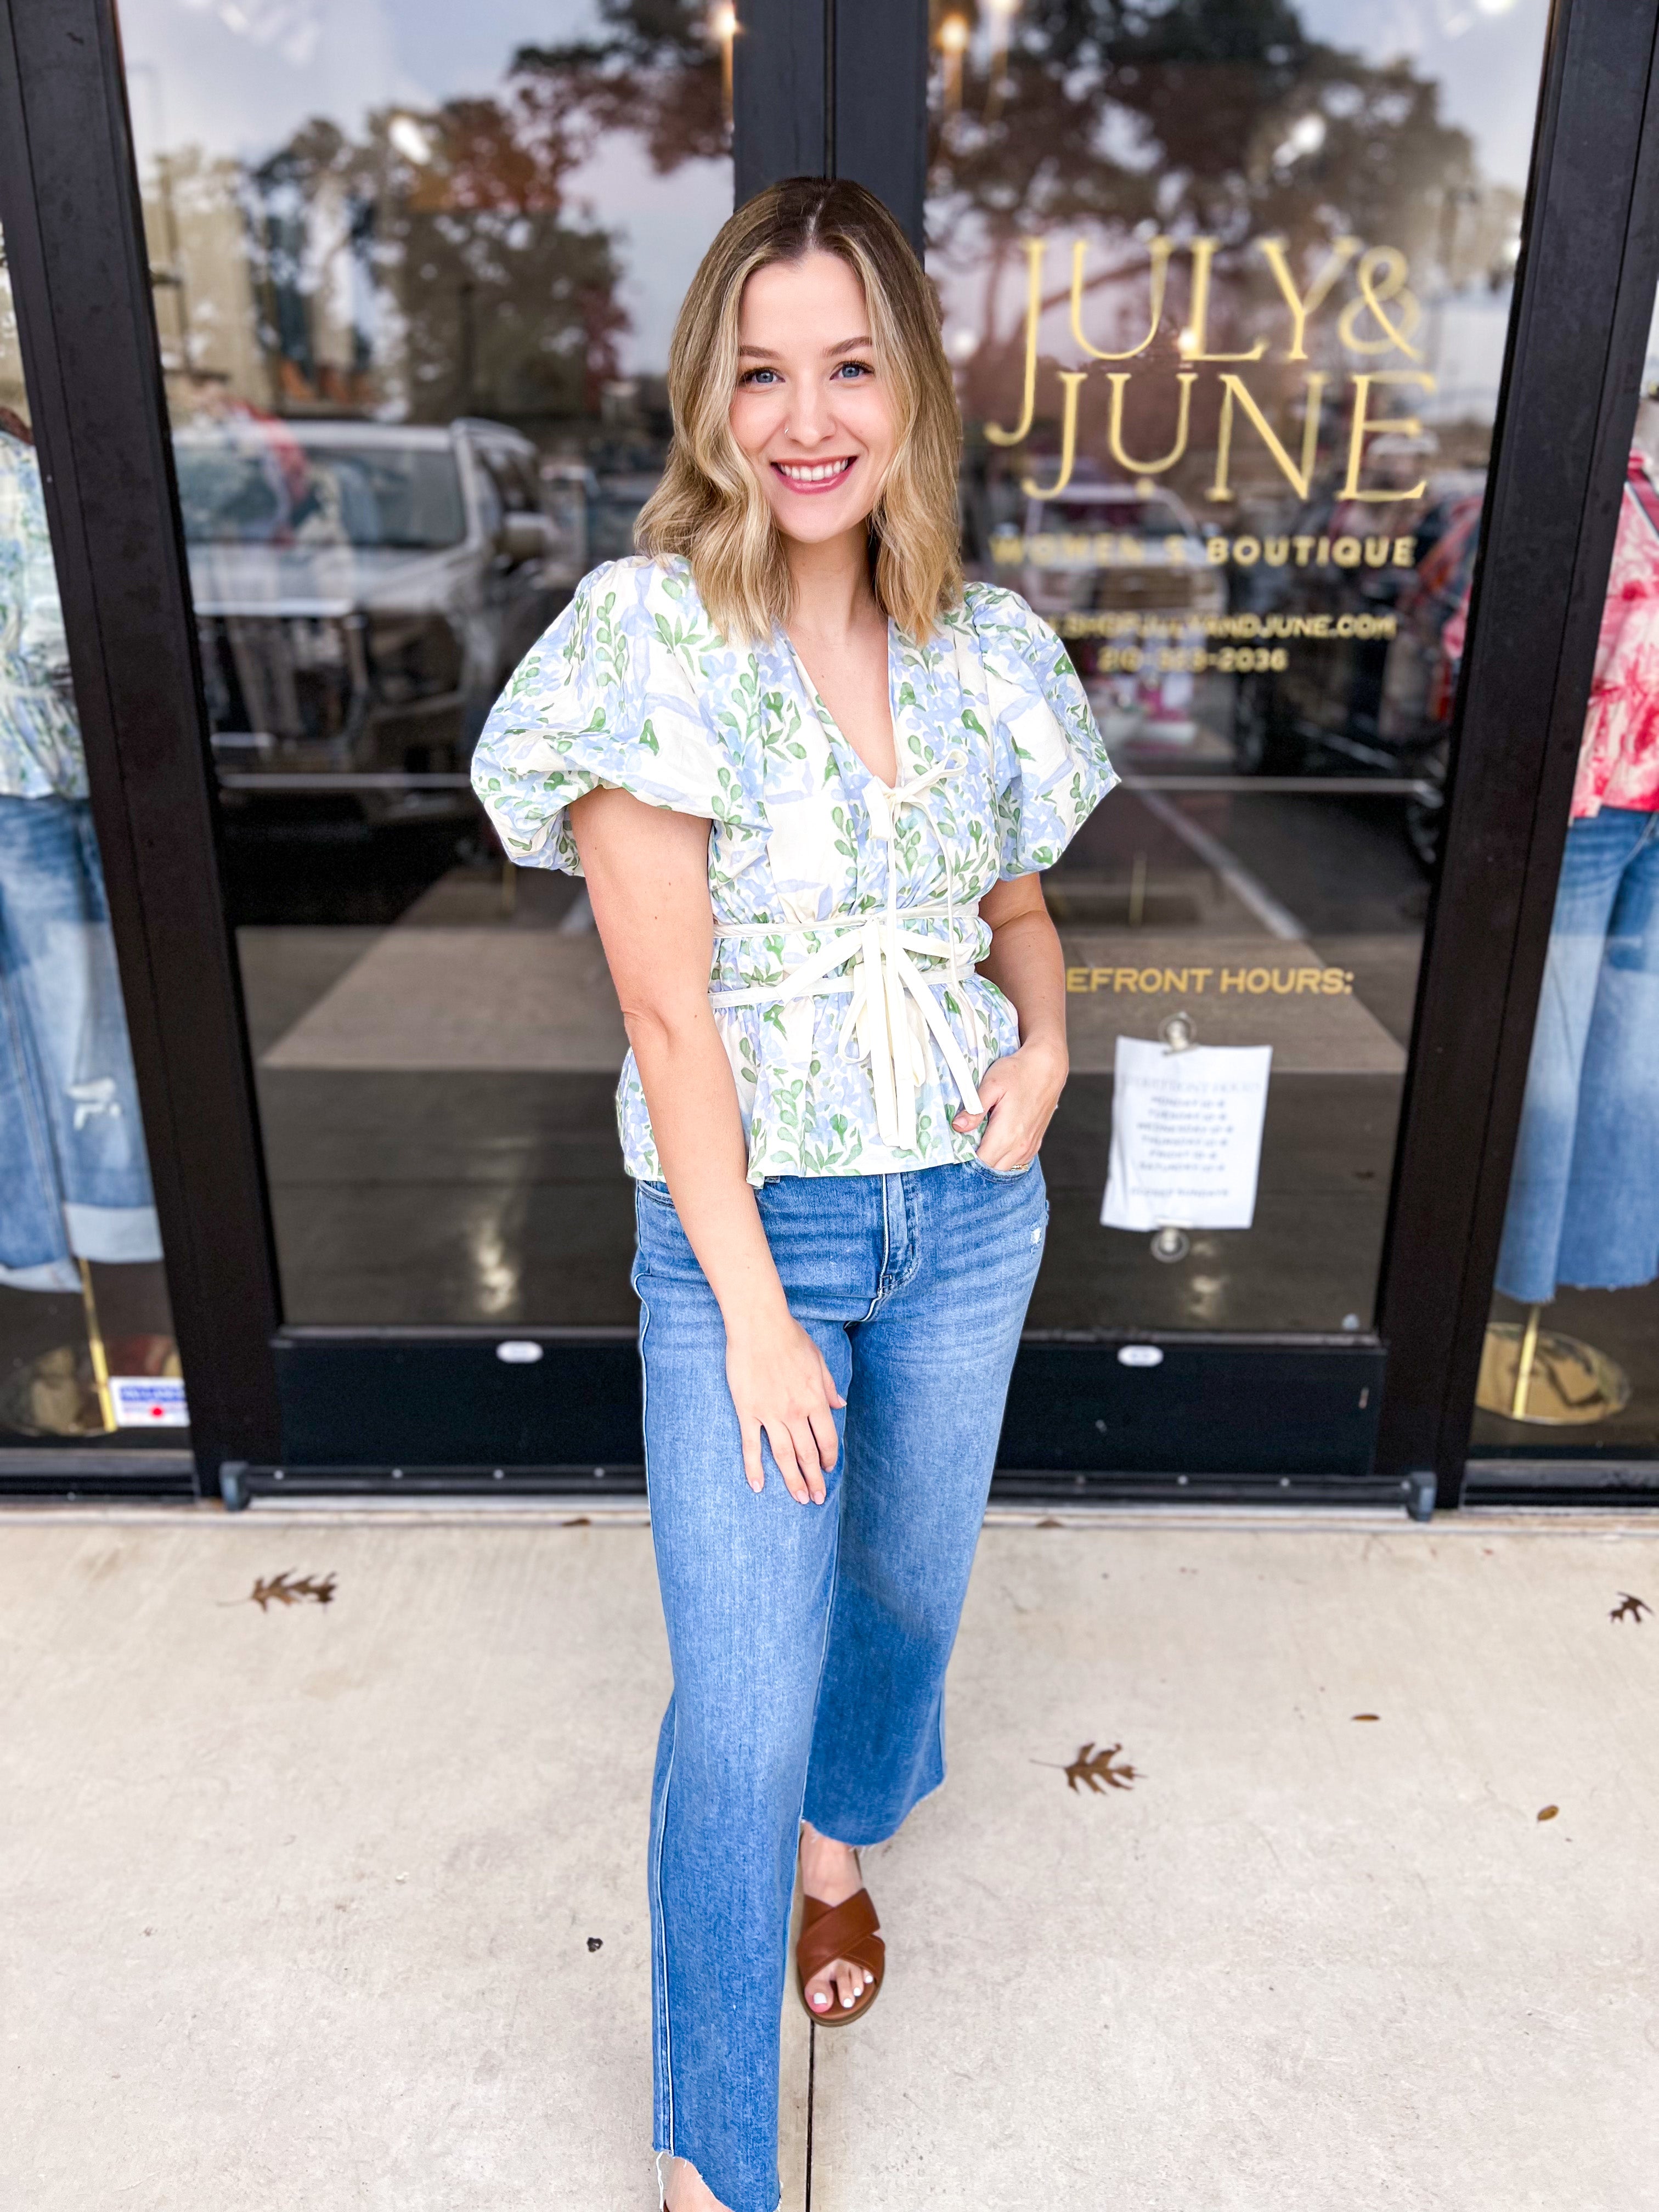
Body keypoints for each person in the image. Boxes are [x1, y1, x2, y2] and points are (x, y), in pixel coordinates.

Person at [472, 176, 1116, 2212]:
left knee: (907, 1603)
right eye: (763, 371)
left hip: (969, 1211)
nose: (806, 416)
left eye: (849, 366)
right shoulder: (648, 637)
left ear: (911, 389)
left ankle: (851, 1855)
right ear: (710, 398)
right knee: (736, 1708)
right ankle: (712, 2163)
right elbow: (671, 1024)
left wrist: (1051, 1041)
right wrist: (749, 1308)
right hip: (757, 1241)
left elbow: (1017, 905)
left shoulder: (985, 646)